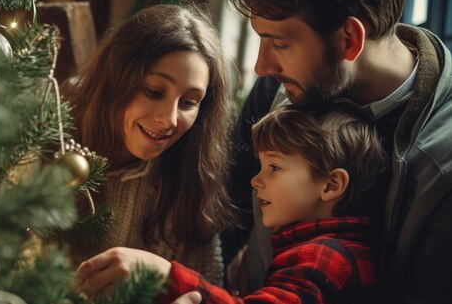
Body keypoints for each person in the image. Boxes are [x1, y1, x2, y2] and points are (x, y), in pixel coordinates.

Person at [221, 0, 452, 302]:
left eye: (279, 44)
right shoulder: (276, 90)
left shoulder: (445, 161)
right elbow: (227, 217)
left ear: (349, 39)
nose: (262, 67)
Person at [77, 99, 385, 304]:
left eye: (274, 168)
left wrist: (165, 275)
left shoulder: (325, 258)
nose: (255, 181)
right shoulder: (318, 249)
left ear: (331, 184)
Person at [62, 3, 237, 287]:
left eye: (189, 102)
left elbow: (208, 288)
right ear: (116, 78)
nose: (168, 120)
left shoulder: (189, 181)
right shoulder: (48, 137)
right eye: (154, 92)